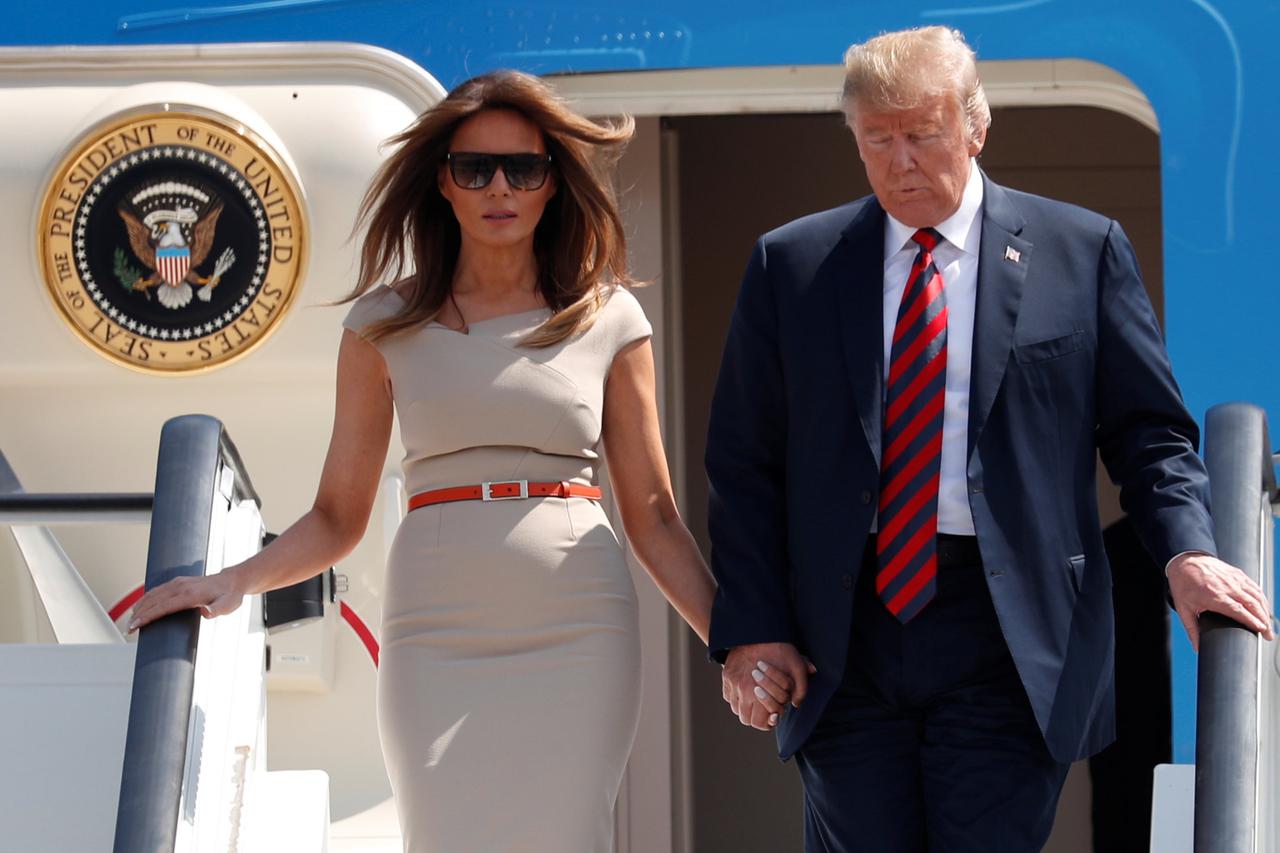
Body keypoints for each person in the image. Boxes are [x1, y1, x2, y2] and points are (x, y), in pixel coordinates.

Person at [705, 26, 1273, 852]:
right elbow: (744, 462)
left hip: (1011, 631)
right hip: (846, 632)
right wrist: (754, 624)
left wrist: (1187, 552)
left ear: (975, 126)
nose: (901, 161)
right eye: (878, 139)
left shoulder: (1082, 252)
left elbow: (1149, 433)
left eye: (922, 135)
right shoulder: (792, 266)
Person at [128, 70, 715, 853]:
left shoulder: (609, 317)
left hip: (577, 629)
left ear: (552, 184)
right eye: (475, 167)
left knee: (570, 835)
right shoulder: (382, 325)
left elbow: (654, 514)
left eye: (523, 168)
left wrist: (738, 638)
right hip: (435, 635)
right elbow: (338, 516)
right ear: (443, 181)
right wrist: (232, 581)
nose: (498, 186)